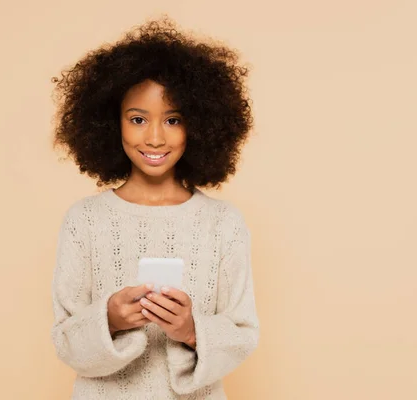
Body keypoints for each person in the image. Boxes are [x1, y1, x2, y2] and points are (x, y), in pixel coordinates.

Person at [50, 16, 260, 400]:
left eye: (173, 119)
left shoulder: (223, 224)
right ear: (112, 124)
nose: (155, 137)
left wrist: (191, 330)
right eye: (137, 119)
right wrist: (109, 320)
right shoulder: (84, 220)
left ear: (198, 126)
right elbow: (65, 340)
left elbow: (243, 331)